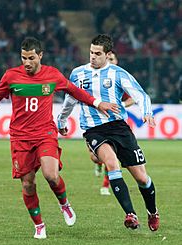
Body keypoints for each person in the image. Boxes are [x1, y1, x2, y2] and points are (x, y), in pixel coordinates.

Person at [0, 37, 118, 239]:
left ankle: (64, 204)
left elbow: (74, 91)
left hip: (44, 133)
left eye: (31, 58)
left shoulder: (52, 75)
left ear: (40, 55)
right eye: (23, 58)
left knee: (51, 174)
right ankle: (39, 225)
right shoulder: (11, 76)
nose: (27, 62)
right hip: (20, 137)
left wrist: (97, 102)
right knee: (28, 184)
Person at [57, 34, 159, 231]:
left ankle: (152, 211)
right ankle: (130, 215)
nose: (92, 57)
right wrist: (61, 120)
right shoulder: (78, 74)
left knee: (141, 178)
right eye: (91, 53)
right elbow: (70, 100)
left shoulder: (118, 74)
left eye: (97, 54)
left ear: (108, 54)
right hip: (94, 130)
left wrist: (147, 112)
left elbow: (140, 94)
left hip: (119, 127)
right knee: (111, 164)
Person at [94, 50, 135, 196]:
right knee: (96, 158)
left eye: (112, 59)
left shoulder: (119, 78)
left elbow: (133, 97)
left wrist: (122, 105)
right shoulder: (94, 77)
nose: (110, 61)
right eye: (108, 58)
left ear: (116, 62)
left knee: (113, 156)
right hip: (96, 124)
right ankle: (98, 163)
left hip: (116, 123)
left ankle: (105, 185)